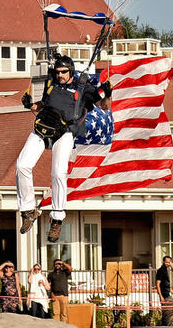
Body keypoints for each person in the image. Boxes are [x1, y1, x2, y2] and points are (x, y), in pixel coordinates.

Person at [17, 54, 111, 242]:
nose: (60, 75)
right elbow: (42, 106)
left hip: (65, 131)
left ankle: (57, 218)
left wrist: (107, 93)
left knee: (58, 173)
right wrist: (30, 105)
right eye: (58, 72)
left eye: (64, 72)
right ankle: (28, 210)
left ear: (71, 71)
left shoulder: (83, 87)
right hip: (43, 126)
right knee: (22, 165)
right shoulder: (51, 83)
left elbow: (104, 106)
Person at [48, 259, 72, 323]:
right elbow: (49, 286)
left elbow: (70, 269)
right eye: (56, 264)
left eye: (59, 264)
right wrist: (51, 295)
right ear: (54, 265)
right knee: (55, 313)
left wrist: (63, 263)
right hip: (55, 296)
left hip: (64, 295)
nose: (57, 265)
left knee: (64, 313)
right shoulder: (51, 274)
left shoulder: (64, 272)